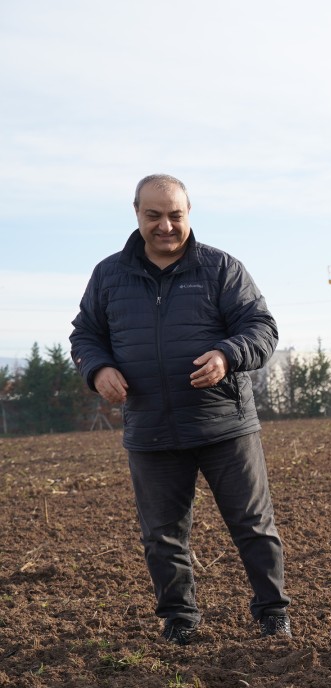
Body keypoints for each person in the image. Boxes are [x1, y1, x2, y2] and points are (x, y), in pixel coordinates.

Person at [70, 174, 292, 645]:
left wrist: (226, 355)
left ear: (188, 213)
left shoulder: (220, 268)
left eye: (175, 215)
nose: (166, 225)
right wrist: (98, 369)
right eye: (154, 215)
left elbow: (262, 327)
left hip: (225, 425)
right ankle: (180, 618)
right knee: (163, 535)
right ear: (137, 215)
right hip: (151, 428)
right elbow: (85, 335)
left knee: (253, 525)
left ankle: (273, 611)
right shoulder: (109, 276)